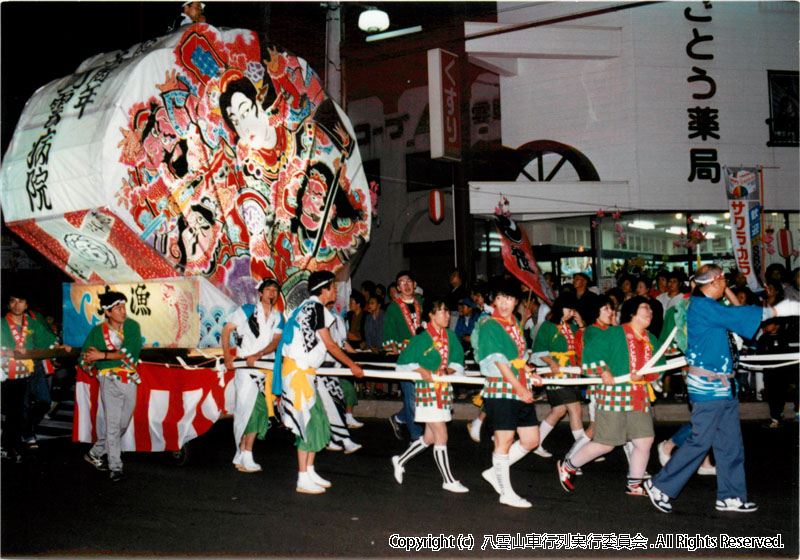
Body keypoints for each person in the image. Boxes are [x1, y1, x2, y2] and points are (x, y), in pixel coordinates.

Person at [645, 264, 800, 514]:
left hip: (723, 386)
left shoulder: (708, 306)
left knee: (730, 444)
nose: (726, 286)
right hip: (708, 388)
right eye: (723, 282)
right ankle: (659, 485)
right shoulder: (704, 306)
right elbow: (741, 316)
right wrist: (780, 310)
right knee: (700, 441)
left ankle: (730, 496)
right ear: (715, 282)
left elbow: (737, 316)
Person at [557, 296, 665, 496]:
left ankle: (634, 484)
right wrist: (603, 371)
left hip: (639, 396)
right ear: (632, 312)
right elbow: (590, 353)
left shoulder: (651, 338)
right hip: (613, 395)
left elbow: (660, 365)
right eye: (645, 308)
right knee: (606, 444)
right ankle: (569, 466)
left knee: (644, 440)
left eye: (651, 309)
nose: (649, 312)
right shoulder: (615, 333)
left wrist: (646, 375)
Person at [274, 271, 364, 494]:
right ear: (324, 290)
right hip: (298, 376)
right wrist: (352, 365)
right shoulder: (318, 310)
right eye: (333, 287)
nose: (335, 291)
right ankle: (302, 477)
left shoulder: (305, 307)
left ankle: (310, 470)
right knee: (307, 425)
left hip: (302, 373)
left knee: (319, 421)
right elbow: (331, 346)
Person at [474, 279, 544, 508]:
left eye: (510, 299)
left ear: (516, 302)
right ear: (494, 300)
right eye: (500, 298)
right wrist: (520, 386)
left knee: (531, 439)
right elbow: (499, 361)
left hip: (518, 387)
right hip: (502, 390)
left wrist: (529, 373)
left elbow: (517, 358)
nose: (504, 303)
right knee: (503, 441)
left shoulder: (513, 323)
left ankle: (495, 473)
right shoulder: (490, 324)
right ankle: (506, 492)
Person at [391, 298, 468, 493]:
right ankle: (448, 480)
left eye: (448, 311)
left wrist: (447, 372)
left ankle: (400, 460)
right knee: (441, 434)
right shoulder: (421, 338)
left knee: (430, 438)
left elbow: (458, 362)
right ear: (431, 316)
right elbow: (403, 362)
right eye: (442, 311)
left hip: (443, 390)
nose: (447, 316)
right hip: (427, 391)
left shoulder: (451, 337)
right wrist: (421, 369)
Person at [221, 278, 284, 473]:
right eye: (268, 289)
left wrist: (259, 354)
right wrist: (226, 356)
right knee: (248, 410)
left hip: (264, 369)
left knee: (259, 411)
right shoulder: (247, 310)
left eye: (275, 290)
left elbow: (275, 341)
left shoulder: (279, 317)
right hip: (245, 370)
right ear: (261, 292)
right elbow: (226, 330)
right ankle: (246, 452)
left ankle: (242, 452)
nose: (272, 293)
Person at [80, 290, 142, 482]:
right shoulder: (97, 332)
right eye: (118, 308)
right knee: (113, 425)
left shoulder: (132, 326)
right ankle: (116, 466)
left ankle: (94, 453)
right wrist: (90, 360)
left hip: (129, 379)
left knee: (123, 424)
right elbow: (84, 356)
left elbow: (129, 351)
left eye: (124, 306)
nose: (123, 311)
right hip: (109, 381)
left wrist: (103, 355)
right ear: (107, 312)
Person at [1, 291, 63, 460]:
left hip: (34, 367)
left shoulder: (33, 323)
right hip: (13, 369)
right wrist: (10, 351)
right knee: (19, 407)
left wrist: (59, 347)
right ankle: (17, 440)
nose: (17, 304)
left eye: (21, 301)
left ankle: (24, 430)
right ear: (8, 305)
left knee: (45, 401)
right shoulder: (2, 324)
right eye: (13, 301)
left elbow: (48, 338)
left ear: (26, 305)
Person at [530, 294, 586, 459]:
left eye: (573, 309)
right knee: (575, 409)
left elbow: (586, 341)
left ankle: (535, 442)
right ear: (560, 308)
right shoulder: (547, 327)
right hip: (557, 373)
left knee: (559, 410)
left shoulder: (573, 327)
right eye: (569, 308)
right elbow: (539, 349)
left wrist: (581, 323)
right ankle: (582, 451)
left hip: (571, 373)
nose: (571, 312)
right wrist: (551, 363)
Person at [383, 271, 424, 441]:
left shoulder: (420, 303)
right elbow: (389, 330)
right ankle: (416, 436)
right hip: (405, 356)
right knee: (411, 395)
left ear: (414, 285)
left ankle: (400, 418)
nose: (406, 285)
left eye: (409, 281)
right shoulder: (393, 307)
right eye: (402, 282)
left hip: (421, 355)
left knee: (420, 396)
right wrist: (393, 349)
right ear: (398, 287)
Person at [319, 301, 364, 450]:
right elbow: (330, 345)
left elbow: (343, 343)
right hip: (321, 367)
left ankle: (332, 438)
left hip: (335, 367)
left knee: (335, 402)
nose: (330, 307)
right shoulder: (319, 319)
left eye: (331, 305)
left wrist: (356, 358)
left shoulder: (337, 319)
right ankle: (337, 439)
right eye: (327, 305)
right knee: (328, 405)